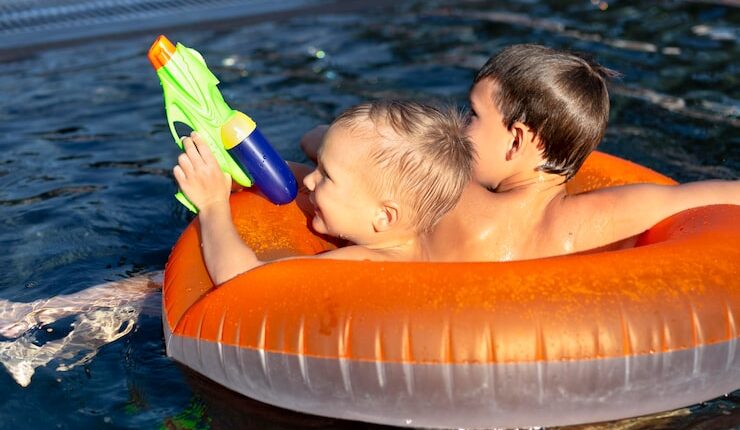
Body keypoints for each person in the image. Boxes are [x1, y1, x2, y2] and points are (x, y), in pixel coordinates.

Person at [300, 44, 740, 261]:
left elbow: (349, 154)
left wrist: (321, 140)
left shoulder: (454, 195)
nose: (462, 126)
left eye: (474, 115)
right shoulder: (601, 218)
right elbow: (710, 195)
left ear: (516, 140)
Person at [173, 99, 474, 284]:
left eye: (326, 175)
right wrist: (248, 174)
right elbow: (308, 180)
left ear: (384, 216)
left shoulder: (368, 266)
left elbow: (242, 280)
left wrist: (212, 204)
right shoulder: (399, 237)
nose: (310, 181)